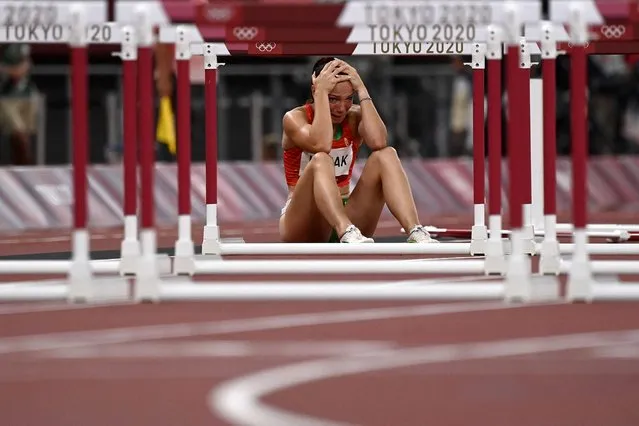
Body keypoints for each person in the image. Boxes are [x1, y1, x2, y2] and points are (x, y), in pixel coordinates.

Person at [279, 57, 437, 244]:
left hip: (350, 215)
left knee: (386, 154)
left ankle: (415, 231)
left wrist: (362, 89)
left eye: (348, 98)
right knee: (321, 159)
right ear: (315, 91)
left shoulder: (354, 116)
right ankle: (344, 230)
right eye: (333, 99)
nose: (341, 108)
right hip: (304, 219)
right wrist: (321, 93)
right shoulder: (295, 118)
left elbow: (379, 141)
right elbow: (321, 144)